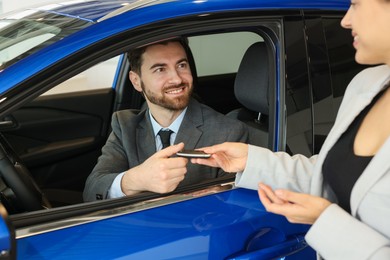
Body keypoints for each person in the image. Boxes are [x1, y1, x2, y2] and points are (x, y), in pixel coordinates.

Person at [191, 1, 390, 259]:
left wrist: (325, 221)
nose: (346, 20)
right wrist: (250, 160)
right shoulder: (366, 85)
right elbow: (328, 173)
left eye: (356, 4)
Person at [83, 38, 248, 201]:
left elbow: (235, 203)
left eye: (181, 65)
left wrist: (220, 195)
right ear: (136, 81)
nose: (177, 79)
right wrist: (135, 180)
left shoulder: (228, 132)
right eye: (160, 69)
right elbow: (92, 191)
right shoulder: (125, 125)